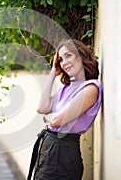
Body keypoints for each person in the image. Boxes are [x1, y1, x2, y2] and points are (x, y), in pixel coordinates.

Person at [27, 39, 102, 180]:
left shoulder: (91, 88)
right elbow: (42, 107)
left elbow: (57, 121)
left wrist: (50, 119)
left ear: (81, 56)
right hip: (49, 148)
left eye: (68, 55)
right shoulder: (67, 88)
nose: (64, 62)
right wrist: (52, 74)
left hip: (63, 153)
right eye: (61, 59)